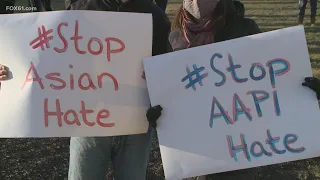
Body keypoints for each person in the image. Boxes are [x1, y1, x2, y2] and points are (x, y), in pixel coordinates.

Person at [149, 0, 260, 179]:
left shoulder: (244, 30)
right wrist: (160, 114)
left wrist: (300, 88)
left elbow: (266, 79)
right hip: (194, 154)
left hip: (236, 149)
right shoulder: (175, 36)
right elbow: (171, 89)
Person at [64, 0, 171, 179]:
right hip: (89, 120)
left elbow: (166, 70)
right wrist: (10, 68)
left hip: (135, 125)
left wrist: (157, 75)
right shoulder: (82, 9)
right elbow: (49, 55)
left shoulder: (156, 17)